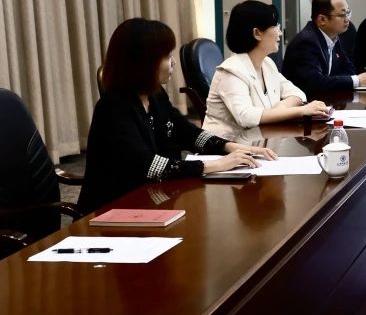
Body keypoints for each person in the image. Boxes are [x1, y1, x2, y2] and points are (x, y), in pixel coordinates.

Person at [79, 19, 276, 213]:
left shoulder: (155, 95)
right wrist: (215, 165)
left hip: (153, 200)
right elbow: (148, 166)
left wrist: (228, 146)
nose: (173, 62)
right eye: (166, 56)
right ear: (142, 63)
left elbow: (186, 132)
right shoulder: (113, 108)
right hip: (114, 211)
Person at [202, 1, 330, 139]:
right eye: (276, 26)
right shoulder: (231, 70)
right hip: (226, 145)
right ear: (257, 33)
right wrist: (301, 111)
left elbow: (298, 94)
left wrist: (279, 109)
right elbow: (246, 117)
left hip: (258, 140)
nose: (280, 33)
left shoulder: (267, 63)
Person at [282, 0, 366, 97]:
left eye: (348, 13)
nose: (347, 19)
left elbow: (349, 69)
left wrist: (330, 81)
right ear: (322, 19)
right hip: (303, 103)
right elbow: (315, 83)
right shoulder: (305, 42)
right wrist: (356, 80)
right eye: (342, 15)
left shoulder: (333, 36)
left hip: (326, 100)